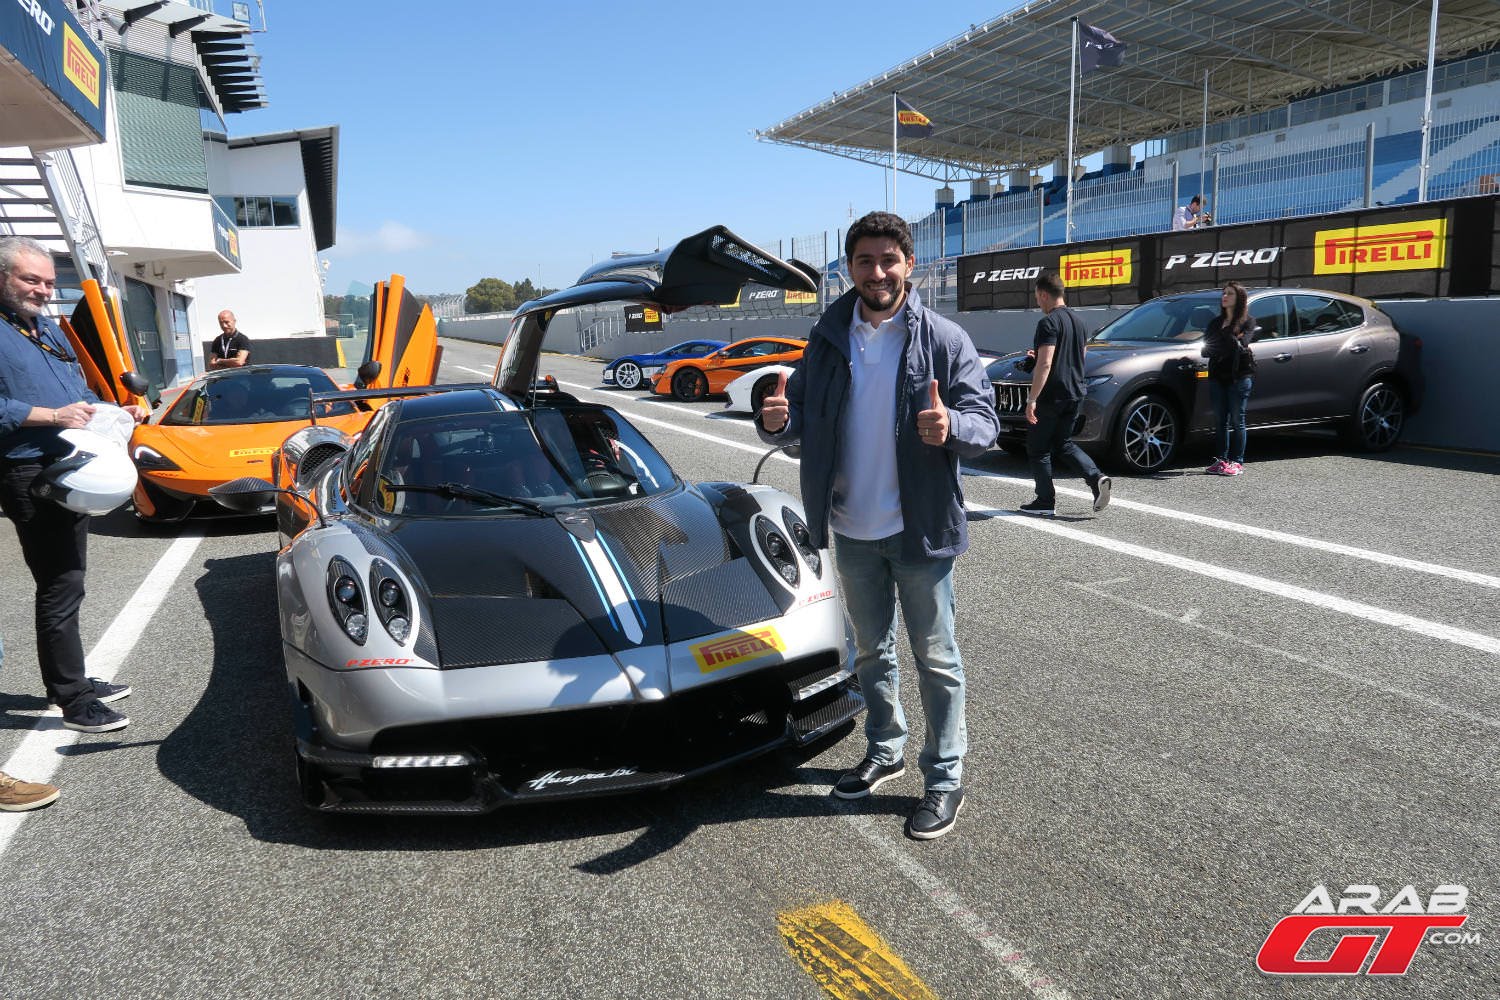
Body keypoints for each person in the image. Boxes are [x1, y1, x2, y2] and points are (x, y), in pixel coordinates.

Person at [759, 211, 998, 841]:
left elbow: (985, 421)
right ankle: (886, 749)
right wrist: (780, 422)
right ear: (850, 269)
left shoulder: (942, 339)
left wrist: (955, 431)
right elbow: (800, 418)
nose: (877, 272)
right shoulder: (829, 335)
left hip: (918, 530)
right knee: (871, 653)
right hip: (852, 529)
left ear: (909, 264)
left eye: (888, 259)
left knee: (937, 657)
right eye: (864, 261)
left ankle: (945, 778)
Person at [0, 236, 144, 734]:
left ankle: (71, 678)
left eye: (47, 281)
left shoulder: (46, 329)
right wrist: (50, 415)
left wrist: (110, 412)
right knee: (60, 583)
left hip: (73, 459)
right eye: (30, 280)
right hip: (29, 470)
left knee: (71, 578)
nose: (42, 290)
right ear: (3, 278)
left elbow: (76, 391)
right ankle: (72, 696)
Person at [1020, 271, 1112, 518]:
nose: (1038, 304)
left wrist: (1032, 399)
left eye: (1037, 298)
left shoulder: (1048, 323)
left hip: (1051, 395)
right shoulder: (1079, 322)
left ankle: (1045, 500)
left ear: (1043, 294)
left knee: (1038, 448)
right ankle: (1096, 478)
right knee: (1063, 444)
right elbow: (1079, 357)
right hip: (1075, 392)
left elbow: (1046, 363)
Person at [1200, 281, 1256, 476]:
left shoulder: (1248, 321)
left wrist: (1227, 343)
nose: (1225, 297)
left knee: (1237, 419)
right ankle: (1221, 460)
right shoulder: (1215, 323)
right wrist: (1229, 342)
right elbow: (1206, 349)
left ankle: (1237, 462)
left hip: (1239, 376)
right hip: (1217, 375)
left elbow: (1242, 344)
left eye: (1230, 294)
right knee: (1220, 420)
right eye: (1224, 293)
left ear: (1239, 298)